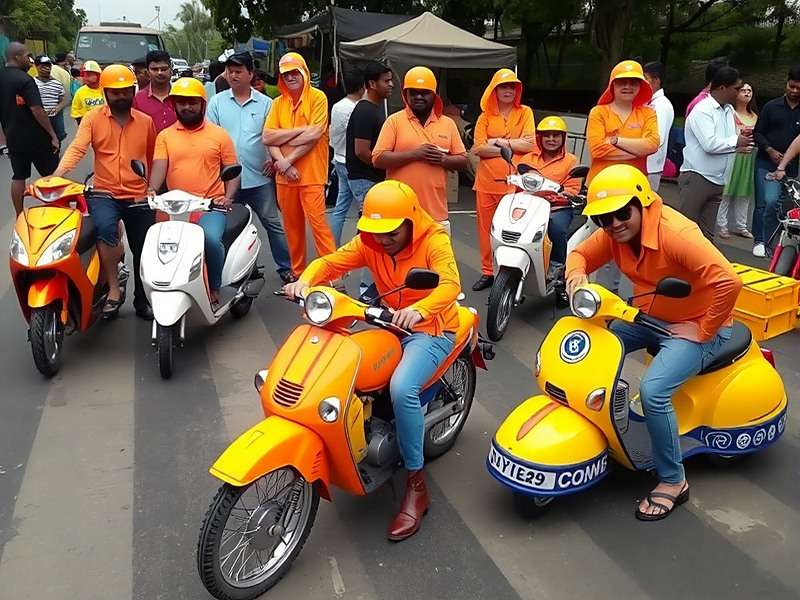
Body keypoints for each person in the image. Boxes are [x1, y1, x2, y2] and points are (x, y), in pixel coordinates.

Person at [283, 179, 461, 541]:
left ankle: (415, 483)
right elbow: (332, 262)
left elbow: (450, 284)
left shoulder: (434, 241)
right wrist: (305, 281)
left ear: (410, 220)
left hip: (433, 328)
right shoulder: (370, 243)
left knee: (401, 388)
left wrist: (420, 309)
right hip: (387, 319)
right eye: (376, 232)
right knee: (345, 364)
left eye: (391, 232)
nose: (383, 240)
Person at [566, 164, 742, 521]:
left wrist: (704, 329)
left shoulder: (675, 233)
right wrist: (576, 276)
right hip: (646, 315)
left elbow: (729, 281)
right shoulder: (616, 236)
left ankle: (674, 481)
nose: (613, 224)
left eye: (620, 213)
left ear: (641, 204)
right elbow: (578, 254)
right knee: (589, 346)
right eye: (603, 218)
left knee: (654, 391)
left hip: (696, 325)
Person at [55, 64, 157, 319]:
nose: (121, 96)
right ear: (105, 93)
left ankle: (142, 299)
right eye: (115, 92)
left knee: (144, 246)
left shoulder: (145, 122)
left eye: (125, 91)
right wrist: (57, 176)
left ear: (132, 91)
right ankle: (113, 288)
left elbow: (155, 157)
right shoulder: (92, 119)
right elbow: (78, 148)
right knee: (104, 229)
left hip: (138, 194)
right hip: (105, 192)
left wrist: (153, 187)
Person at [148, 77, 240, 305]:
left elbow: (233, 171)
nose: (186, 107)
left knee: (208, 239)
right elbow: (160, 166)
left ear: (202, 105)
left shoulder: (219, 135)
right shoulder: (165, 136)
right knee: (158, 246)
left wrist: (227, 197)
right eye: (181, 102)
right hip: (174, 208)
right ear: (174, 105)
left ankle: (215, 286)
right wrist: (150, 189)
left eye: (192, 102)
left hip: (210, 205)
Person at [207, 51, 294, 284]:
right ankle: (236, 270)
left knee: (272, 223)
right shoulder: (216, 102)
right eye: (229, 71)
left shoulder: (267, 103)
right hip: (226, 181)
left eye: (238, 71)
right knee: (229, 228)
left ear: (250, 74)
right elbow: (211, 138)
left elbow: (272, 136)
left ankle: (286, 267)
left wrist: (273, 160)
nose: (233, 75)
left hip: (259, 178)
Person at [263, 52, 337, 276]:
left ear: (304, 72)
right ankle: (298, 274)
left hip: (311, 176)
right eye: (286, 74)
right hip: (284, 178)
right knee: (292, 229)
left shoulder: (318, 98)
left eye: (295, 72)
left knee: (319, 227)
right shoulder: (277, 104)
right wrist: (284, 162)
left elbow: (315, 135)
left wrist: (286, 159)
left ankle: (333, 274)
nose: (291, 77)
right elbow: (267, 138)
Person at [372, 66, 467, 233]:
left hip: (435, 214)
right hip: (398, 212)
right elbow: (378, 159)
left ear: (434, 95)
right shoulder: (394, 121)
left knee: (437, 259)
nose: (418, 97)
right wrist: (414, 155)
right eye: (413, 92)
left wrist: (443, 160)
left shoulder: (447, 123)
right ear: (405, 94)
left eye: (424, 92)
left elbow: (463, 161)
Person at [470, 68, 536, 291]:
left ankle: (512, 273)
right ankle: (488, 272)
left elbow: (530, 144)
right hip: (487, 183)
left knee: (516, 230)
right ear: (494, 90)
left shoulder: (525, 112)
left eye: (512, 87)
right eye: (503, 87)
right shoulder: (484, 117)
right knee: (485, 229)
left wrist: (498, 142)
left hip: (517, 184)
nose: (508, 90)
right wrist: (511, 144)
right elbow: (478, 148)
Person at [679, 66, 752, 241]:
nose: (739, 93)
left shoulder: (728, 110)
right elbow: (709, 144)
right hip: (698, 176)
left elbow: (726, 139)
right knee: (685, 230)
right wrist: (736, 142)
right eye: (736, 88)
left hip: (719, 179)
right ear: (722, 88)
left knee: (707, 235)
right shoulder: (702, 110)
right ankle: (676, 267)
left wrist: (739, 142)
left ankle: (700, 267)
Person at [516, 116, 580, 306]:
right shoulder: (528, 158)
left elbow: (573, 189)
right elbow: (519, 181)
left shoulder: (571, 161)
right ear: (539, 138)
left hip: (558, 207)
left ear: (563, 138)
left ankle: (557, 268)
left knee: (557, 229)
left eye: (555, 136)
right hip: (531, 206)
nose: (551, 139)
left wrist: (556, 194)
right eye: (547, 136)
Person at [0, 42, 60, 215]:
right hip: (36, 138)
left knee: (18, 176)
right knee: (51, 175)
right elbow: (37, 110)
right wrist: (52, 134)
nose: (30, 60)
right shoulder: (25, 80)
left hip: (13, 138)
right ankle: (55, 210)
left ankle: (19, 214)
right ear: (17, 57)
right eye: (27, 56)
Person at [751, 66, 800, 257]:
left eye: (798, 88)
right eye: (792, 86)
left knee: (784, 206)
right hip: (767, 161)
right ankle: (760, 240)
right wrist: (769, 150)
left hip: (792, 166)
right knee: (768, 201)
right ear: (786, 84)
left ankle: (775, 243)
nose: (794, 91)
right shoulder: (772, 106)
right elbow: (758, 132)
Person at [586, 59, 659, 184]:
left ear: (640, 86)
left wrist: (615, 141)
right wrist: (639, 151)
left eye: (633, 83)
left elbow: (653, 144)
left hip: (635, 183)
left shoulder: (648, 113)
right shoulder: (598, 112)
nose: (628, 86)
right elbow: (597, 149)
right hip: (601, 182)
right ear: (612, 85)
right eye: (622, 82)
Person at [329, 69, 366, 246]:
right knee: (366, 209)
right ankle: (363, 250)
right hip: (352, 162)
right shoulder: (355, 109)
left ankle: (332, 249)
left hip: (338, 158)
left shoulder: (338, 106)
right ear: (362, 87)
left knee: (340, 208)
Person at [717, 82, 758, 240]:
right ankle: (722, 224)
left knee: (745, 192)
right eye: (743, 90)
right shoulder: (730, 113)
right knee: (727, 191)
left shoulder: (755, 116)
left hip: (749, 157)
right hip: (733, 155)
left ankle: (741, 225)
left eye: (750, 90)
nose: (747, 93)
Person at [643, 61, 674, 191]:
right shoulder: (649, 102)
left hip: (650, 167)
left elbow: (657, 139)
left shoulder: (661, 105)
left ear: (656, 80)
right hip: (645, 165)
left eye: (645, 78)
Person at [133, 50, 176, 133]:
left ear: (170, 69)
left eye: (164, 69)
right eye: (155, 69)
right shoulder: (137, 99)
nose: (159, 73)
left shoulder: (180, 96)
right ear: (148, 72)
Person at [33, 55, 68, 145]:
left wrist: (58, 107)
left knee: (59, 136)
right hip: (39, 117)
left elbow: (63, 99)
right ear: (36, 67)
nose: (46, 68)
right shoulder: (32, 83)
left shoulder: (57, 83)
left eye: (48, 66)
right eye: (43, 66)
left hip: (54, 116)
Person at [71, 60, 105, 125]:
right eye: (83, 75)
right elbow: (76, 113)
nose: (85, 77)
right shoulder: (80, 92)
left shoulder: (105, 89)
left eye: (89, 75)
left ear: (98, 75)